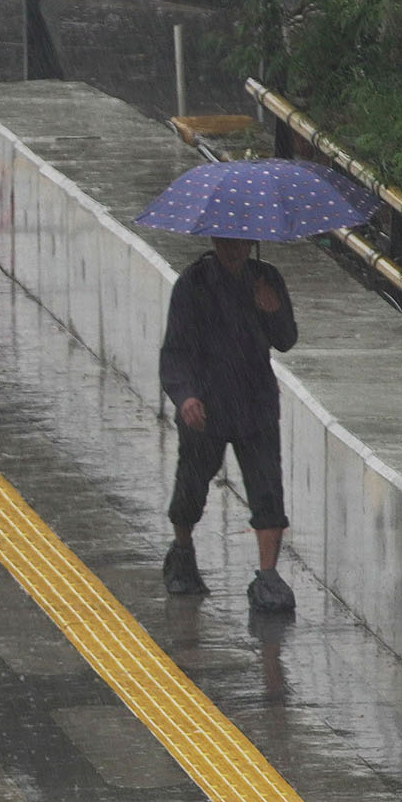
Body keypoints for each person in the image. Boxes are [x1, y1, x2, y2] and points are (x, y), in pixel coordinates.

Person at [159, 235, 299, 612]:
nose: (234, 249)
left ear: (252, 243)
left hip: (255, 405)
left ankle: (268, 574)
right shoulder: (193, 284)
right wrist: (185, 395)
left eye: (241, 242)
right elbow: (174, 350)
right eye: (226, 242)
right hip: (206, 407)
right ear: (215, 240)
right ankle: (183, 551)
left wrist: (271, 309)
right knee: (191, 482)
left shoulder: (266, 279)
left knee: (267, 488)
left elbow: (286, 338)